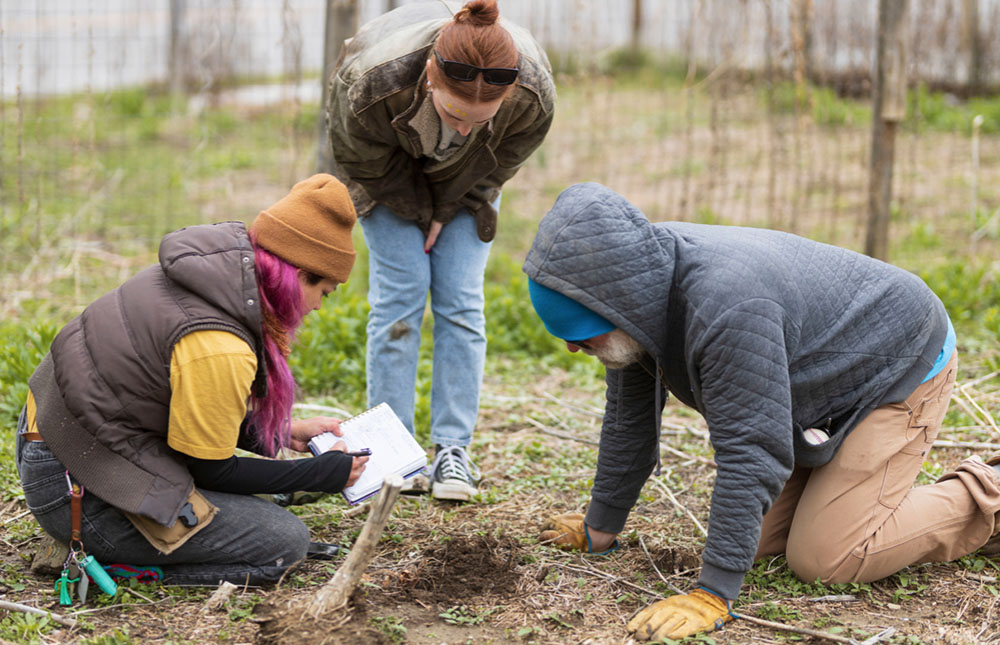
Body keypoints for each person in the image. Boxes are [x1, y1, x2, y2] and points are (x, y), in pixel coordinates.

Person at [524, 182, 1000, 641]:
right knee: (756, 546)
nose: (571, 349)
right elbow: (631, 421)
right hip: (820, 386)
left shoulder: (725, 308)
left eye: (583, 338)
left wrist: (712, 594)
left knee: (826, 557)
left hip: (896, 366)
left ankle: (987, 499)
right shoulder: (632, 287)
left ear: (615, 310)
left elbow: (752, 450)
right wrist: (599, 526)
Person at [15, 174, 370, 587]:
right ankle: (92, 558)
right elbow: (212, 471)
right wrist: (319, 476)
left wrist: (279, 434)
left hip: (60, 440)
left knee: (266, 499)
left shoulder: (207, 278)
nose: (317, 308)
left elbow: (176, 402)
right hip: (76, 489)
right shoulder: (220, 345)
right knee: (283, 542)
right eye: (323, 292)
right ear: (296, 276)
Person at [325, 0, 556, 501]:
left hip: (471, 182)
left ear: (510, 94)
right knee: (400, 298)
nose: (466, 127)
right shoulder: (371, 83)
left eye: (482, 118)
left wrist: (448, 208)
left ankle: (454, 451)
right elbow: (362, 160)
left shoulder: (534, 96)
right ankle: (395, 453)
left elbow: (501, 163)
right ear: (431, 74)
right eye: (455, 113)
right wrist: (417, 208)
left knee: (461, 300)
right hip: (385, 176)